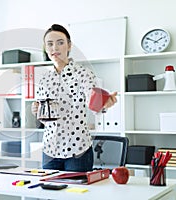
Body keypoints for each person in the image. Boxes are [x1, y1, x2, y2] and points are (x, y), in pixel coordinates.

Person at [32, 24, 117, 172]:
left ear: (69, 45)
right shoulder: (43, 78)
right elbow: (44, 114)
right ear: (45, 48)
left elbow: (93, 102)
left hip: (77, 150)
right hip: (50, 149)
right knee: (48, 194)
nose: (55, 48)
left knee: (76, 194)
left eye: (60, 42)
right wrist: (37, 110)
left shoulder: (83, 74)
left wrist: (104, 104)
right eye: (50, 44)